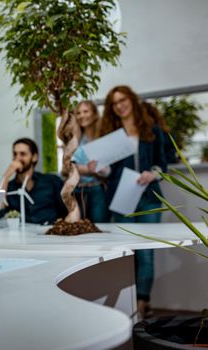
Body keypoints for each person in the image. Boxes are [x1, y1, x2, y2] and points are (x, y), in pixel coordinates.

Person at [100, 85, 167, 318]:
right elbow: (109, 171)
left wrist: (153, 173)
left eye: (123, 100)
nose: (120, 105)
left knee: (146, 253)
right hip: (122, 199)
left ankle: (141, 304)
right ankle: (128, 302)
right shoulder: (112, 135)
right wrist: (98, 168)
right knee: (127, 254)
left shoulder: (151, 129)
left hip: (149, 198)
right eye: (114, 103)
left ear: (132, 101)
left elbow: (163, 163)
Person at [0, 138, 67, 224]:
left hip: (50, 232)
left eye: (22, 154)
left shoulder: (51, 181)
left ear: (34, 157)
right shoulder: (9, 187)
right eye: (15, 154)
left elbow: (66, 210)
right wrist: (6, 176)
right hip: (24, 234)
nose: (17, 158)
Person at [72, 100, 109, 223]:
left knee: (100, 228)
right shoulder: (75, 138)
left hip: (97, 189)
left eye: (85, 111)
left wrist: (82, 168)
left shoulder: (104, 137)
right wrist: (89, 169)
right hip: (77, 190)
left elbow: (108, 169)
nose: (82, 115)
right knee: (79, 231)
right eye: (78, 113)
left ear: (94, 114)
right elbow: (69, 166)